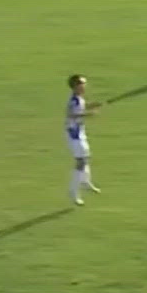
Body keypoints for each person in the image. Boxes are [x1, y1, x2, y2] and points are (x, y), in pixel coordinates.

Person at [65, 74, 100, 205]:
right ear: (75, 86)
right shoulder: (74, 100)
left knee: (86, 157)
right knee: (80, 161)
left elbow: (81, 108)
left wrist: (91, 106)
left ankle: (85, 182)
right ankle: (73, 191)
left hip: (80, 132)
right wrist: (88, 114)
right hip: (74, 135)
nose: (85, 86)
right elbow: (71, 114)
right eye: (82, 84)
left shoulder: (79, 98)